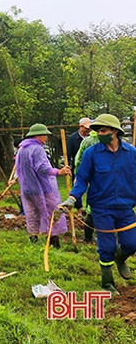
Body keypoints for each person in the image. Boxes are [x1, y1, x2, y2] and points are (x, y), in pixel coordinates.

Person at [60, 114, 136, 294]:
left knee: (132, 243)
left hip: (126, 207)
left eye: (103, 130)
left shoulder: (132, 153)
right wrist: (72, 198)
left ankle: (120, 257)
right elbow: (82, 179)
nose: (98, 134)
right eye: (97, 131)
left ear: (115, 132)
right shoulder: (91, 154)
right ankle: (107, 282)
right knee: (106, 246)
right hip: (101, 207)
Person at [15, 124, 70, 246]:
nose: (46, 138)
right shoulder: (37, 149)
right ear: (37, 135)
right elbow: (42, 168)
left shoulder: (22, 149)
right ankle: (53, 242)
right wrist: (59, 172)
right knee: (51, 213)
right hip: (42, 188)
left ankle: (33, 240)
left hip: (27, 189)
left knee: (31, 214)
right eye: (44, 135)